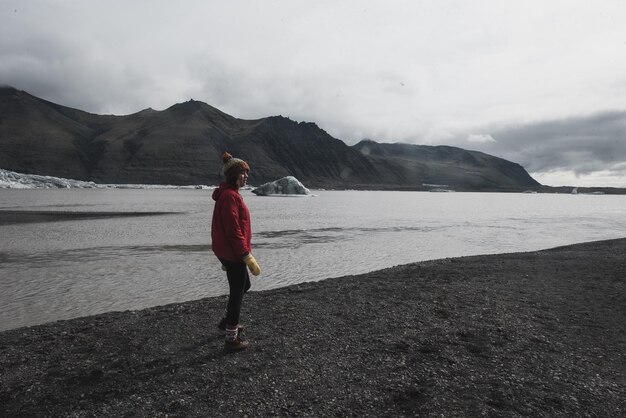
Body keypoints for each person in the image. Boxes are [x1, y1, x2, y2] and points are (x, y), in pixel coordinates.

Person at [211, 151, 261, 352]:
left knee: (243, 285)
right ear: (233, 175)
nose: (246, 176)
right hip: (234, 253)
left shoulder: (229, 195)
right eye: (243, 173)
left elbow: (225, 228)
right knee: (237, 294)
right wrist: (245, 255)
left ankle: (226, 323)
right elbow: (233, 230)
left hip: (227, 251)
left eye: (247, 173)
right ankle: (231, 339)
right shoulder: (230, 197)